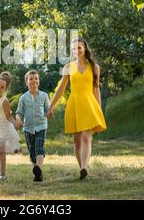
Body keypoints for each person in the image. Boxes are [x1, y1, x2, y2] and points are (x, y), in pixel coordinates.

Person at [48, 37, 107, 180]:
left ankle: (84, 167)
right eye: (74, 48)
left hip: (89, 104)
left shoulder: (95, 67)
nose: (77, 50)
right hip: (74, 104)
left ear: (85, 48)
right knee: (77, 140)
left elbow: (96, 89)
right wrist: (51, 106)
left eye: (79, 47)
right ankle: (82, 169)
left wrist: (98, 109)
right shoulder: (68, 67)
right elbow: (61, 89)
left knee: (87, 137)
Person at [15, 70, 50, 182]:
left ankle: (38, 168)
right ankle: (38, 174)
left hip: (41, 126)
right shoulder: (23, 98)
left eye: (36, 78)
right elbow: (19, 112)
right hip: (28, 128)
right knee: (32, 152)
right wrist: (18, 119)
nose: (34, 80)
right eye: (31, 79)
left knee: (39, 148)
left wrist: (50, 112)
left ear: (39, 81)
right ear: (26, 82)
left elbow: (48, 110)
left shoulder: (44, 96)